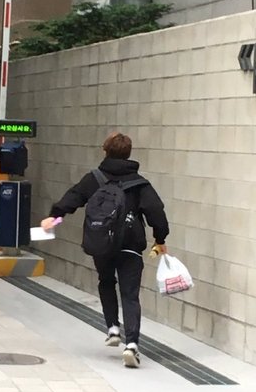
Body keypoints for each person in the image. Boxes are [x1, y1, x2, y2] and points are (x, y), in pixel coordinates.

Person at [41, 132, 169, 368]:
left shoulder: (95, 179)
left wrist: (55, 217)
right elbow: (156, 213)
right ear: (129, 153)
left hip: (102, 244)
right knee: (130, 294)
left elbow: (74, 197)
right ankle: (132, 345)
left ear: (105, 151)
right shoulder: (140, 184)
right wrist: (160, 239)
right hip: (130, 246)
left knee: (106, 281)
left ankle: (112, 328)